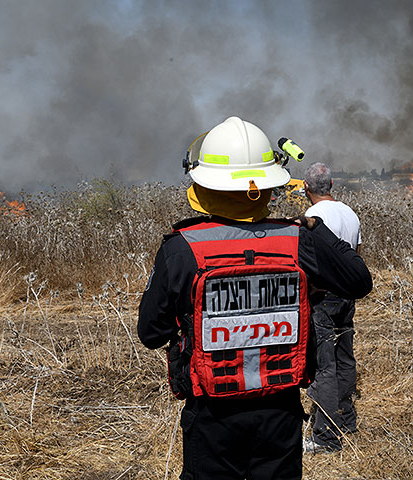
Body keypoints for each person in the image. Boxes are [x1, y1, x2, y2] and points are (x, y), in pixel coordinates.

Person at [137, 117, 372, 480]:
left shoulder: (182, 248)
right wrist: (315, 229)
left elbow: (151, 333)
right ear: (269, 184)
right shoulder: (298, 241)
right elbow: (358, 281)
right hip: (280, 412)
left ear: (202, 182)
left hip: (213, 414)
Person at [302, 162, 362, 453]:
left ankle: (325, 437)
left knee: (324, 365)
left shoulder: (313, 216)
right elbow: (356, 259)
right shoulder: (350, 213)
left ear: (305, 188)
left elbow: (307, 262)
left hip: (322, 298)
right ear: (332, 185)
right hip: (346, 297)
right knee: (345, 357)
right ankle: (346, 421)